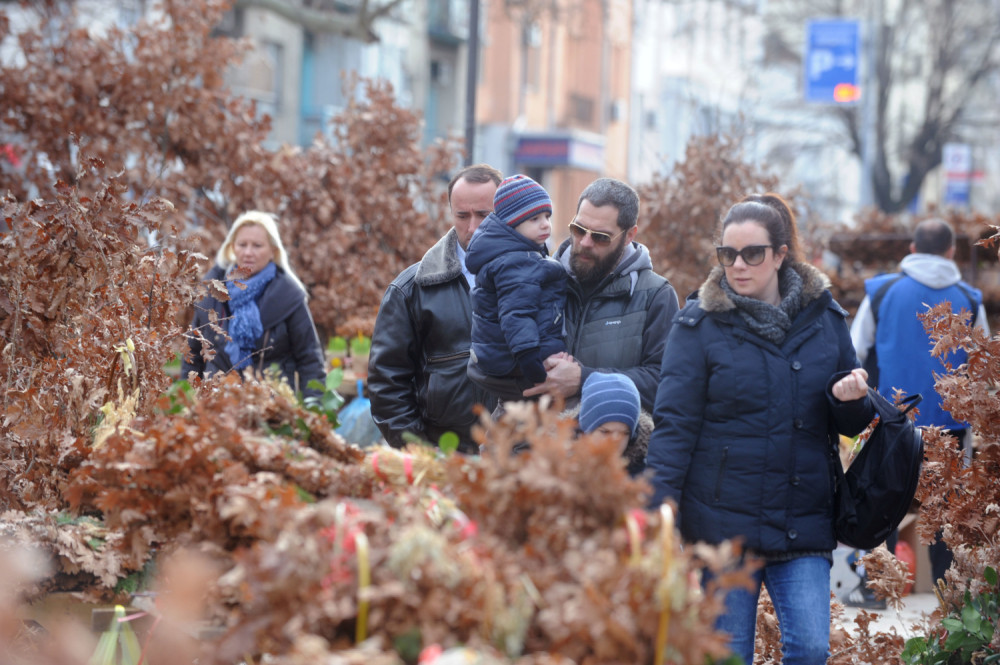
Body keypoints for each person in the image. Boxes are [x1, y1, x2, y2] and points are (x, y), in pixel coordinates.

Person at [646, 193, 875, 665]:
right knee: (727, 657)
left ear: (780, 255)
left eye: (752, 253)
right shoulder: (698, 326)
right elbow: (674, 427)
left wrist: (850, 401)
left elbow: (852, 420)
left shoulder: (825, 320)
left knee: (811, 649)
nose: (738, 265)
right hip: (722, 527)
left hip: (803, 518)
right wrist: (656, 508)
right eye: (728, 254)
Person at [850, 217, 989, 585]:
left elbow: (854, 351)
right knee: (947, 514)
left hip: (890, 421)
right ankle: (952, 597)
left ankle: (876, 587)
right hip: (952, 428)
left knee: (881, 504)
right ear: (951, 252)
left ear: (911, 250)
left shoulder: (881, 293)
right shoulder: (970, 300)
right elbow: (984, 364)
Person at [368, 164, 503, 454]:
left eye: (484, 215)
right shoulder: (412, 289)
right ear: (450, 212)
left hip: (520, 457)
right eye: (462, 215)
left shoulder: (539, 280)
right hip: (445, 455)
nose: (473, 227)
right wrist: (419, 451)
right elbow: (387, 382)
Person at [522, 177, 679, 413]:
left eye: (600, 237)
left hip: (612, 447)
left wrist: (584, 380)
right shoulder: (538, 280)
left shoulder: (655, 296)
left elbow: (665, 384)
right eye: (578, 229)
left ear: (629, 236)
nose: (585, 242)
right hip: (536, 443)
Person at [182, 210, 326, 396]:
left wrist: (313, 406)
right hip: (215, 412)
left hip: (271, 414)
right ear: (232, 247)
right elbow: (192, 356)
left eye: (257, 246)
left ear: (273, 251)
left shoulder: (289, 297)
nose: (248, 252)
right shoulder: (210, 293)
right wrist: (185, 402)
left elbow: (310, 359)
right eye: (242, 244)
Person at [465, 174, 567, 401]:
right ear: (512, 224)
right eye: (534, 219)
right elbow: (516, 314)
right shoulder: (514, 262)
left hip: (512, 356)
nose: (545, 224)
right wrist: (531, 360)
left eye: (547, 216)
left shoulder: (521, 253)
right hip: (519, 360)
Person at [576, 372, 649, 476]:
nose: (615, 440)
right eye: (605, 432)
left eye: (625, 433)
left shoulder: (642, 474)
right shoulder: (558, 466)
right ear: (585, 429)